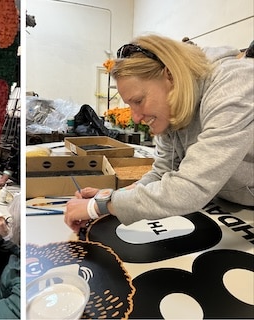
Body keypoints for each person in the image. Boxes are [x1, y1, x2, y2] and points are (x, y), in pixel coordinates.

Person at [64, 34, 253, 232]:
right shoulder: (172, 105)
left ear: (169, 75)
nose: (135, 118)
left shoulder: (233, 86)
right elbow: (162, 174)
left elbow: (189, 188)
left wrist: (99, 207)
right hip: (234, 205)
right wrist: (112, 198)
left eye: (138, 101)